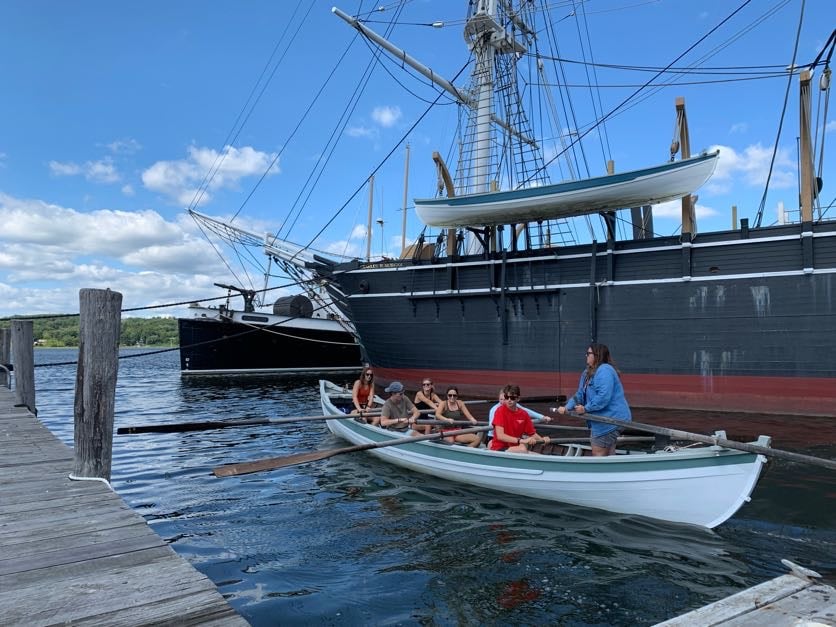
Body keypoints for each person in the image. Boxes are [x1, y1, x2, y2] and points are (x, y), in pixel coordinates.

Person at [557, 343, 632, 456]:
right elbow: (580, 394)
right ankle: (612, 470)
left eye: (588, 353)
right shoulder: (587, 373)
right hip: (603, 420)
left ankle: (603, 472)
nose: (586, 356)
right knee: (609, 451)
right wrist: (567, 407)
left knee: (598, 453)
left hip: (611, 419)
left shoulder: (605, 370)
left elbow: (603, 397)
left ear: (597, 355)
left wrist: (585, 408)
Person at [489, 384, 550, 453]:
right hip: (499, 448)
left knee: (523, 447)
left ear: (518, 399)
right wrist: (521, 440)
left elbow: (532, 434)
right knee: (523, 448)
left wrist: (542, 440)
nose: (509, 400)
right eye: (506, 397)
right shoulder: (499, 411)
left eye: (512, 398)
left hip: (515, 447)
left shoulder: (524, 414)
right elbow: (500, 436)